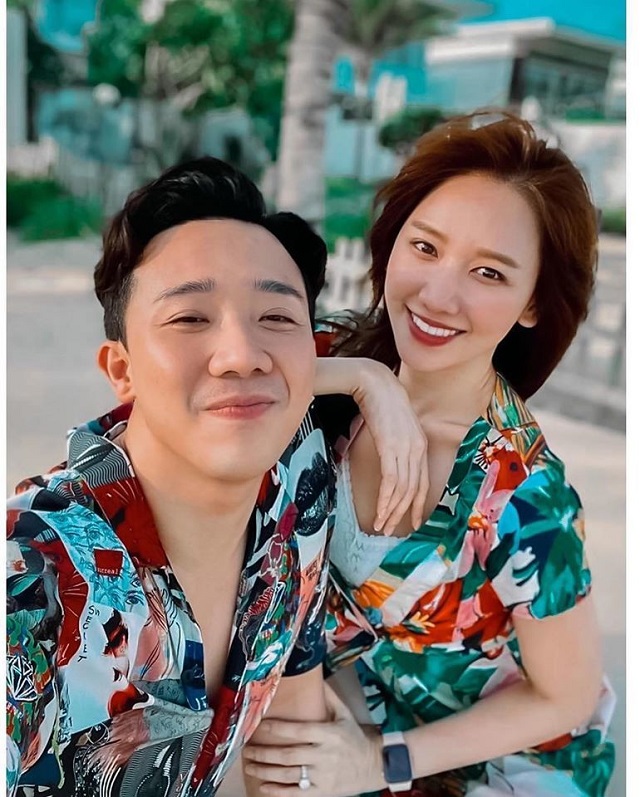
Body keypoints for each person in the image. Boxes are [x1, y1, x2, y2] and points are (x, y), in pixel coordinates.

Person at [6, 157, 429, 797]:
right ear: (121, 371)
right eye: (189, 318)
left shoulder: (295, 492)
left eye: (277, 318)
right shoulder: (29, 579)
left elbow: (291, 745)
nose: (241, 356)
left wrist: (374, 380)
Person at [242, 111, 616, 796]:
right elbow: (191, 378)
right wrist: (366, 380)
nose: (438, 294)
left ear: (533, 303)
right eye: (425, 247)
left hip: (488, 770)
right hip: (340, 725)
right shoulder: (333, 359)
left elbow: (567, 695)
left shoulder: (524, 496)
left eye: (488, 273)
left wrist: (380, 761)